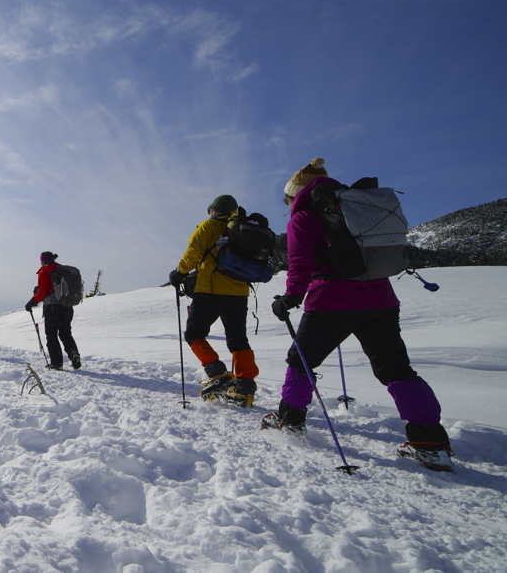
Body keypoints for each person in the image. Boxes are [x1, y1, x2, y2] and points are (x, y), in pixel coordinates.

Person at [264, 158, 453, 472]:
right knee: (397, 368)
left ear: (295, 194)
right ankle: (430, 443)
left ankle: (289, 420)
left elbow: (300, 264)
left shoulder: (305, 216)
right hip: (381, 299)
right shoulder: (355, 207)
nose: (287, 205)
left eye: (287, 200)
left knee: (302, 360)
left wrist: (290, 298)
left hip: (332, 301)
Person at [168, 195, 258, 406]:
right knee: (238, 339)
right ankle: (245, 387)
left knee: (193, 333)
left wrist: (179, 272)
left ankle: (217, 374)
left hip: (211, 290)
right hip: (240, 291)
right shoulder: (243, 229)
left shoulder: (210, 225)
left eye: (210, 211)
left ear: (215, 210)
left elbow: (193, 252)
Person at [25, 252, 81, 370]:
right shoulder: (63, 270)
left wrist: (32, 302)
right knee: (65, 333)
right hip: (67, 306)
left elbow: (43, 291)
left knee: (51, 335)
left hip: (52, 307)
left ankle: (56, 363)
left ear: (43, 260)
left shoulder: (44, 271)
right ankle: (74, 354)